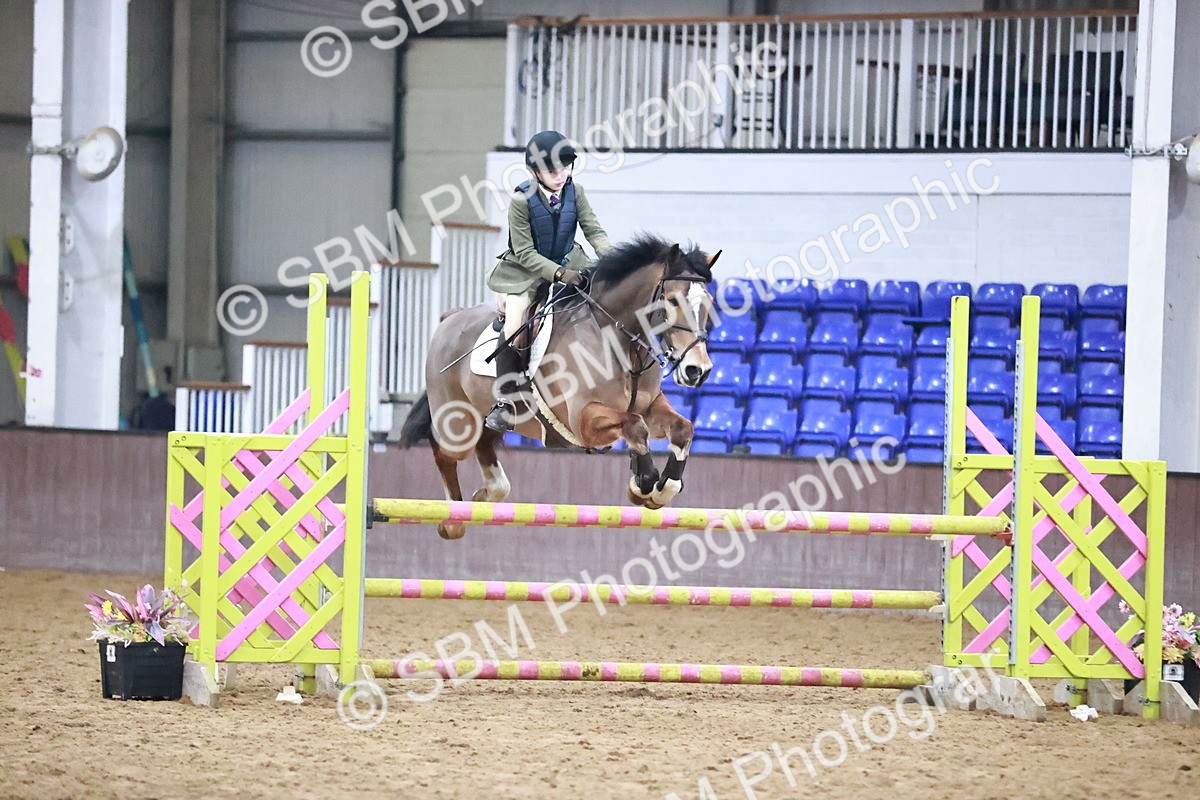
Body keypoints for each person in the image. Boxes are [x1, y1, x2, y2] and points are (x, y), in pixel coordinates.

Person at [483, 130, 613, 433]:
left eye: (565, 168)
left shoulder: (575, 192)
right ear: (536, 172)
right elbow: (525, 253)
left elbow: (594, 231)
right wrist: (559, 274)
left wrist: (612, 260)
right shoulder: (521, 200)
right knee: (515, 327)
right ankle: (506, 401)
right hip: (525, 272)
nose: (561, 175)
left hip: (571, 260)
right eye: (554, 171)